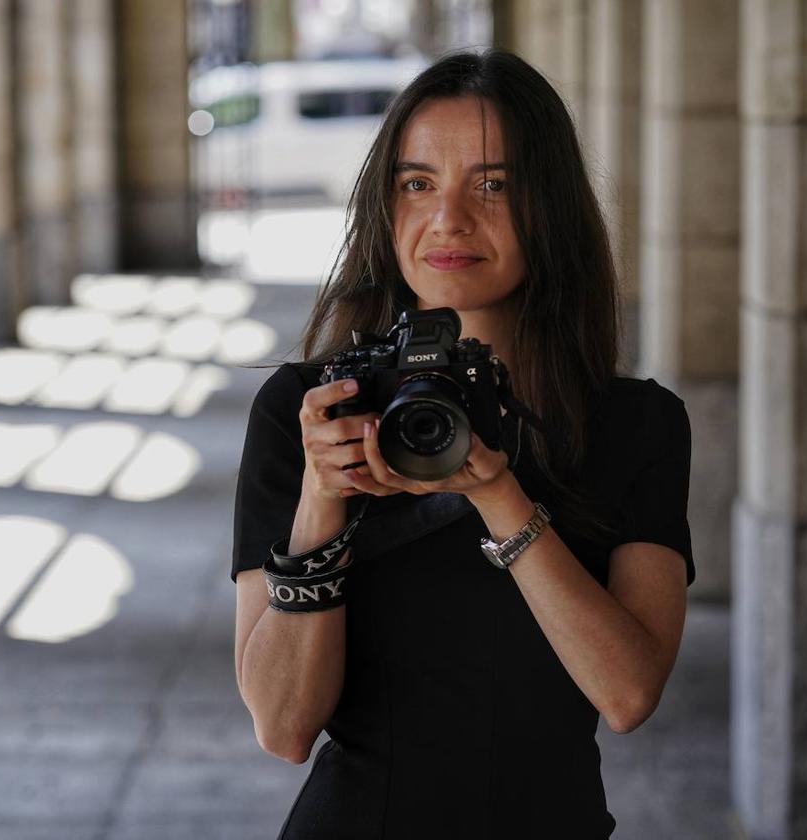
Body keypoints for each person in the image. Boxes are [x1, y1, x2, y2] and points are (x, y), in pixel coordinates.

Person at [231, 49, 693, 838]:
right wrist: (321, 500)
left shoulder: (636, 424)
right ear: (386, 206)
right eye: (417, 184)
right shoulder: (308, 412)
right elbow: (283, 727)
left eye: (493, 184)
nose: (448, 219)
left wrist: (497, 493)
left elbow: (626, 695)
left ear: (547, 206)